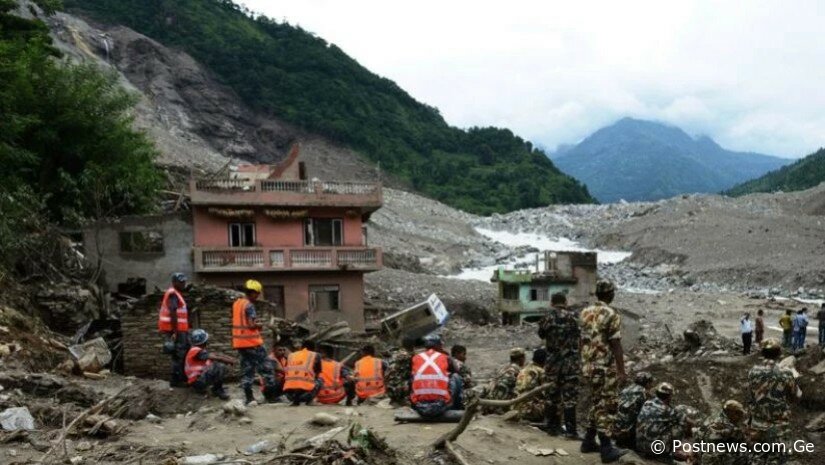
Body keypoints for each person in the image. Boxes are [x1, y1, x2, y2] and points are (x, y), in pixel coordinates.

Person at [579, 280, 628, 463]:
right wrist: (621, 370)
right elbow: (615, 343)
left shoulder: (584, 312)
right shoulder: (611, 313)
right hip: (603, 367)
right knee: (607, 405)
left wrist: (583, 363)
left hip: (588, 366)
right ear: (610, 294)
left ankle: (588, 441)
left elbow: (582, 341)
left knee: (596, 401)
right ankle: (606, 448)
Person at [747, 338, 799, 465]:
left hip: (758, 425)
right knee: (778, 459)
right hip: (779, 427)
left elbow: (751, 396)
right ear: (779, 353)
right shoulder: (786, 374)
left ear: (762, 353)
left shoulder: (753, 372)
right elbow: (795, 396)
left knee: (757, 458)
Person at [538, 292, 581, 438]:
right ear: (565, 302)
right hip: (570, 363)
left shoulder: (546, 318)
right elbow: (579, 336)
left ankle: (551, 427)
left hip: (552, 363)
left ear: (552, 303)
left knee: (551, 395)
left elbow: (541, 335)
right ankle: (571, 431)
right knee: (570, 398)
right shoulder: (574, 317)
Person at [232, 279, 278, 404]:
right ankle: (271, 397)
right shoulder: (249, 305)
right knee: (267, 369)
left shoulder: (237, 304)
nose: (257, 296)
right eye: (256, 293)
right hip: (252, 343)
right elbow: (251, 325)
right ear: (251, 292)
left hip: (240, 344)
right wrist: (259, 325)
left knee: (247, 370)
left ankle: (249, 398)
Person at [636, 383, 692, 464]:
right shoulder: (668, 411)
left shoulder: (647, 403)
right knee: (679, 425)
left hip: (640, 446)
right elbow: (686, 421)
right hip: (655, 450)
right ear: (669, 396)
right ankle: (673, 450)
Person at [410, 334, 460, 419]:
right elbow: (456, 370)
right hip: (440, 406)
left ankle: (413, 403)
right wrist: (447, 355)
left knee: (413, 376)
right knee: (455, 376)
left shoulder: (416, 357)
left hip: (419, 406)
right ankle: (458, 406)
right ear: (439, 346)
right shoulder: (445, 357)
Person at [158, 272, 190, 387]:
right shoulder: (173, 294)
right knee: (178, 354)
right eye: (181, 281)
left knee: (182, 353)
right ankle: (176, 380)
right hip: (176, 330)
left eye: (184, 281)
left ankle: (181, 378)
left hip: (180, 329)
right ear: (174, 282)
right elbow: (173, 312)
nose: (183, 283)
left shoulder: (176, 293)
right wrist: (175, 331)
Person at [184, 329, 234, 400]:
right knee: (219, 366)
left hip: (197, 380)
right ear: (204, 341)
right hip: (197, 381)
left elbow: (215, 355)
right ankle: (217, 390)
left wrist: (227, 358)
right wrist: (229, 361)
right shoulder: (197, 351)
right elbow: (216, 358)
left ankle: (216, 387)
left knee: (215, 364)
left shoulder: (196, 350)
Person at [696, 400, 748, 465]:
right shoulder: (721, 422)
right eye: (737, 413)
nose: (739, 417)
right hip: (716, 458)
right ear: (730, 412)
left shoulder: (716, 419)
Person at [613, 371, 654, 449]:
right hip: (626, 431)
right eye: (651, 382)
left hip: (615, 426)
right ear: (647, 383)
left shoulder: (626, 389)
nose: (652, 385)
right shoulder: (644, 393)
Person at [482, 348, 526, 414]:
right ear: (521, 359)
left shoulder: (503, 368)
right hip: (501, 406)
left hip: (490, 403)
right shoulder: (518, 371)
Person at [283, 340, 323, 406]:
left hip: (289, 394)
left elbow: (286, 371)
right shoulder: (315, 355)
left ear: (302, 347)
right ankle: (310, 401)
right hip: (305, 394)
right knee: (320, 379)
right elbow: (317, 372)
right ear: (314, 348)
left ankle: (296, 401)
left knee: (295, 379)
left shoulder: (291, 355)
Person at [514, 348, 548, 422]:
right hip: (529, 410)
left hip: (516, 407)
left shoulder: (523, 369)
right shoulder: (541, 372)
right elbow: (547, 393)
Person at [385, 338, 415, 406]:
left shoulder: (396, 353)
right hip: (398, 386)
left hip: (389, 386)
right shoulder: (409, 355)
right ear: (411, 345)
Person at [451, 344, 473, 409]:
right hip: (458, 396)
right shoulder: (460, 364)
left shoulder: (447, 362)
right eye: (464, 354)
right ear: (456, 354)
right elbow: (468, 381)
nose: (465, 357)